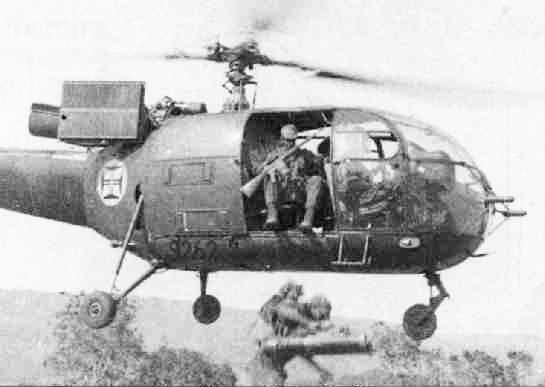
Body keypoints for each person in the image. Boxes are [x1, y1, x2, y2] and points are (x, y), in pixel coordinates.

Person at [261, 124, 325, 233]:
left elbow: (319, 165)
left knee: (316, 179)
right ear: (282, 139)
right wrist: (271, 167)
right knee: (269, 175)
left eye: (292, 140)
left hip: (299, 192)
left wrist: (320, 159)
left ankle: (308, 219)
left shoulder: (305, 154)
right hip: (280, 193)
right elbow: (259, 171)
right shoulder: (273, 155)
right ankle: (272, 215)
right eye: (287, 140)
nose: (290, 143)